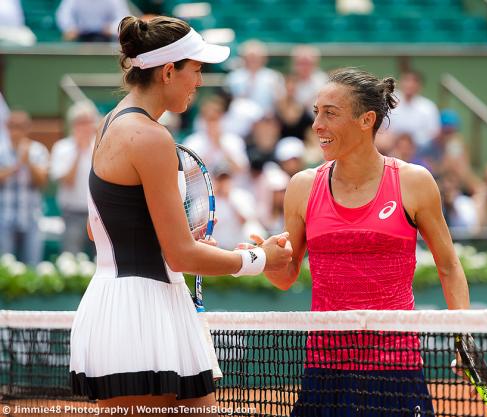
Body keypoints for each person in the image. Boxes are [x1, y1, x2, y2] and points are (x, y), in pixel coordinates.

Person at [69, 16, 293, 416]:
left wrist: (173, 236)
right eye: (196, 69)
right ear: (169, 71)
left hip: (142, 304)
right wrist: (260, 260)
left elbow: (97, 226)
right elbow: (180, 257)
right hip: (138, 316)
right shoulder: (151, 137)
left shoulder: (111, 124)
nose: (201, 82)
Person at [254, 68, 470, 416]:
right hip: (325, 371)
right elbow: (286, 276)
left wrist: (465, 336)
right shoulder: (302, 186)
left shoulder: (413, 182)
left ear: (366, 119)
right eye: (316, 112)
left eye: (330, 113)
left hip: (395, 369)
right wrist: (263, 260)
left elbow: (448, 265)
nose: (317, 125)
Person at [0, 111, 49, 266]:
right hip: (4, 218)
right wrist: (16, 167)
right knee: (5, 269)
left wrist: (28, 163)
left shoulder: (38, 150)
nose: (16, 130)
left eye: (20, 126)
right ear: (6, 127)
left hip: (31, 218)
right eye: (12, 126)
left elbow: (42, 181)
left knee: (32, 268)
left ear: (27, 128)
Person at [50, 101, 99, 255]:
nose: (85, 127)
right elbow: (67, 181)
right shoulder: (62, 147)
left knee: (100, 261)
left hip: (98, 213)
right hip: (73, 213)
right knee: (70, 259)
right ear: (72, 125)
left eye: (88, 122)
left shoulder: (100, 146)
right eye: (81, 122)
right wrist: (79, 151)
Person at [56, 0, 130, 42]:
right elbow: (64, 15)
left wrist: (112, 28)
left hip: (107, 38)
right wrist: (70, 28)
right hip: (81, 37)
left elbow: (123, 17)